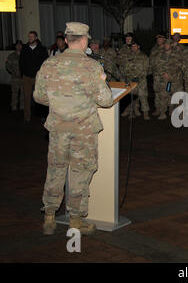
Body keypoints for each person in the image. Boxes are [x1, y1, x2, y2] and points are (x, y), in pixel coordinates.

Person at [33, 22, 113, 236]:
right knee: (80, 171)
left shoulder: (49, 64)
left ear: (66, 40)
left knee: (56, 169)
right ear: (85, 40)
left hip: (58, 127)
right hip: (83, 130)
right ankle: (76, 220)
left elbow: (39, 97)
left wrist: (61, 102)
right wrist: (103, 81)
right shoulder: (92, 67)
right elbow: (105, 101)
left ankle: (49, 217)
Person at [19, 31, 49, 122]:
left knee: (39, 97)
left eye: (32, 36)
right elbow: (21, 62)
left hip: (38, 77)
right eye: (29, 36)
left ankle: (42, 116)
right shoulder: (24, 48)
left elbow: (45, 63)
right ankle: (27, 117)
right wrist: (23, 74)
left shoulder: (42, 49)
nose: (30, 38)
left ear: (36, 38)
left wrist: (43, 75)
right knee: (27, 97)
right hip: (27, 77)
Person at [153, 38, 183, 120]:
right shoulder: (160, 55)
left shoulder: (177, 54)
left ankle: (180, 113)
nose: (166, 45)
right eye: (165, 44)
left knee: (178, 97)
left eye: (168, 44)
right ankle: (163, 113)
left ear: (171, 45)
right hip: (165, 81)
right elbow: (157, 66)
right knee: (164, 95)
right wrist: (163, 73)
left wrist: (170, 74)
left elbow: (180, 66)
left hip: (175, 80)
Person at [121, 41, 151, 120]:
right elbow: (125, 68)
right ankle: (131, 113)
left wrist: (139, 76)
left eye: (135, 46)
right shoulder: (128, 57)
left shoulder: (144, 57)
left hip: (141, 80)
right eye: (132, 46)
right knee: (131, 97)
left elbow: (146, 69)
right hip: (131, 80)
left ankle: (145, 113)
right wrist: (128, 76)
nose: (133, 48)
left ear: (138, 46)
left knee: (143, 96)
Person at [5, 40, 24, 111]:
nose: (19, 46)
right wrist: (13, 72)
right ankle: (14, 106)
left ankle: (22, 106)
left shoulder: (24, 55)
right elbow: (7, 66)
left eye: (20, 45)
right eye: (17, 45)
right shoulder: (11, 56)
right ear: (15, 46)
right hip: (15, 78)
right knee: (14, 93)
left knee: (23, 93)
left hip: (23, 77)